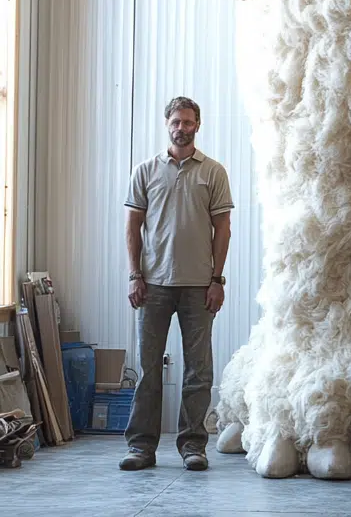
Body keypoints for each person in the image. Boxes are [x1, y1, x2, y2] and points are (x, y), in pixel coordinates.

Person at [118, 96, 234, 471]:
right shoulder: (146, 171)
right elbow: (132, 227)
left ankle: (193, 446)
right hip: (152, 286)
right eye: (175, 121)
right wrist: (135, 275)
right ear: (166, 123)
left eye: (188, 122)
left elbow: (223, 229)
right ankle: (141, 447)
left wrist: (216, 280)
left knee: (198, 371)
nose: (181, 128)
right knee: (148, 369)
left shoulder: (213, 172)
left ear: (197, 126)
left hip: (199, 286)